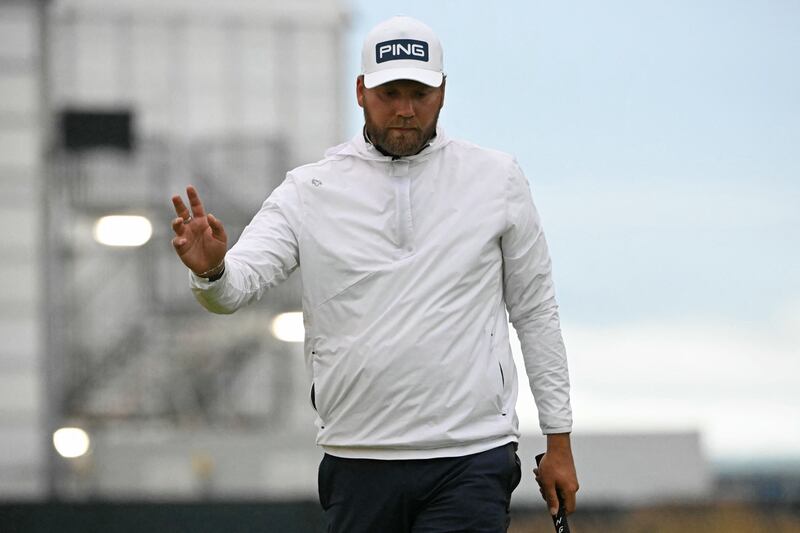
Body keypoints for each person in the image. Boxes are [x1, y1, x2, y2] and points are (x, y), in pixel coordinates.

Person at [171, 15, 578, 533]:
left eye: (420, 92)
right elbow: (234, 289)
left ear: (444, 93)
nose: (406, 109)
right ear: (361, 91)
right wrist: (211, 272)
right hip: (357, 460)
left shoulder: (497, 179)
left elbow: (535, 310)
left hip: (471, 455)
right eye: (390, 92)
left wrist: (559, 439)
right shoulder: (309, 190)